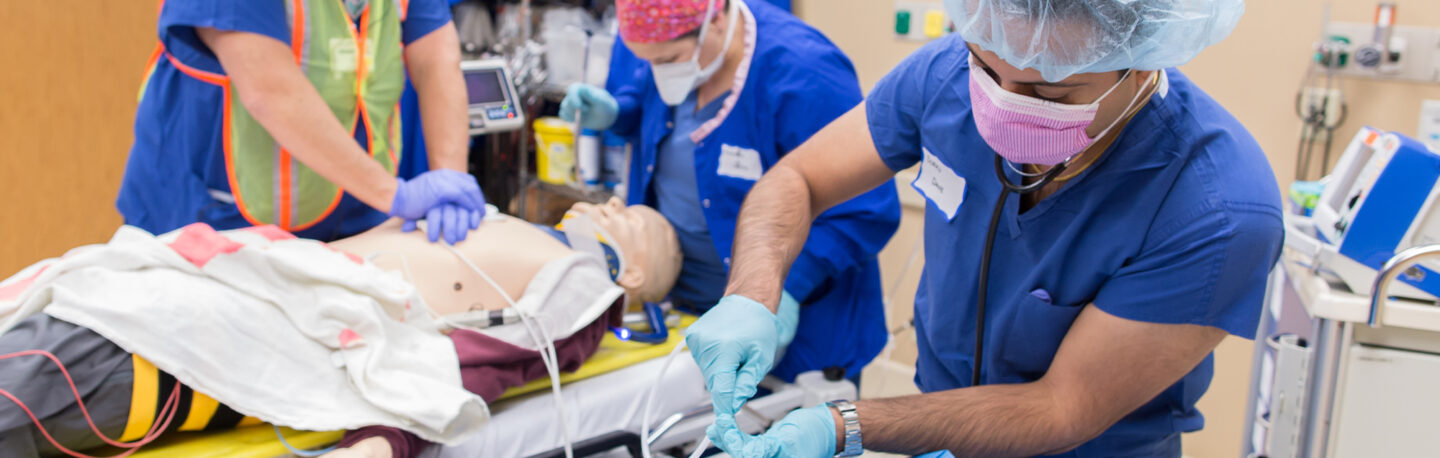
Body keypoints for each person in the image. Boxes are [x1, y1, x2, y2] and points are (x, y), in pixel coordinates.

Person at [702, 1, 1285, 457]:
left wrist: (843, 425)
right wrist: (751, 296)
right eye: (986, 67)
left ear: (1143, 64)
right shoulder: (945, 75)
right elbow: (798, 179)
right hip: (936, 427)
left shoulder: (1216, 210)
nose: (1003, 105)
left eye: (1049, 91)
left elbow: (1062, 408)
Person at [0, 200, 681, 458]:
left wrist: (383, 444)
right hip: (246, 279)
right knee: (65, 303)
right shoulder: (500, 217)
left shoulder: (582, 294)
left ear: (634, 276)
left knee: (62, 353)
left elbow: (465, 374)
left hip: (236, 332)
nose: (615, 205)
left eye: (637, 223)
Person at [561, 0, 901, 423]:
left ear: (715, 19)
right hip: (689, 310)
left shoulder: (804, 71)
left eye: (667, 60)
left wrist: (787, 289)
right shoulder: (658, 42)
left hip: (802, 326)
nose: (658, 71)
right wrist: (618, 114)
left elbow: (868, 208)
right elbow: (652, 97)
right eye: (647, 62)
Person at [116, 0, 486, 245]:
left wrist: (448, 183)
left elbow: (437, 59)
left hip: (355, 214)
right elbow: (270, 89)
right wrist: (396, 195)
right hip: (216, 220)